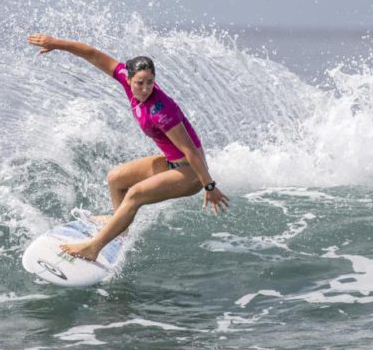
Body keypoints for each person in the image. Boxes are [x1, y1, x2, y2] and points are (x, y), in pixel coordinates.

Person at [26, 33, 229, 261]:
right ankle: (120, 227)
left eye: (150, 82)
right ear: (129, 78)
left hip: (190, 173)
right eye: (140, 83)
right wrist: (56, 44)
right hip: (171, 163)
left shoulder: (161, 111)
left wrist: (209, 186)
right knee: (116, 178)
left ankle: (93, 248)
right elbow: (92, 54)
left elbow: (190, 151)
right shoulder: (125, 77)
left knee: (134, 194)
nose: (145, 88)